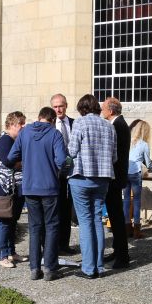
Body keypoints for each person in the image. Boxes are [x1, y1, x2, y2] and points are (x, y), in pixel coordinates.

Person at [7, 107, 66, 281]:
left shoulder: (24, 134)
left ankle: (34, 269)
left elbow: (11, 157)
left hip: (30, 187)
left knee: (35, 227)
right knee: (52, 227)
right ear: (53, 120)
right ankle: (49, 268)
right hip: (49, 187)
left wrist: (25, 163)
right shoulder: (55, 134)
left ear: (38, 118)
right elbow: (62, 160)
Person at [67, 94, 117, 279]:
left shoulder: (80, 123)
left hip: (81, 177)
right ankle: (99, 266)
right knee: (97, 219)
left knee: (86, 222)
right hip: (103, 178)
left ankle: (88, 268)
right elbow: (114, 157)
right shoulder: (108, 126)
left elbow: (71, 151)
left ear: (82, 109)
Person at [0, 111, 28, 268]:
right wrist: (22, 162)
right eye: (21, 123)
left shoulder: (13, 139)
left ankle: (11, 252)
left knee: (13, 220)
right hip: (5, 187)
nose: (23, 126)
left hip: (15, 186)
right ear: (12, 124)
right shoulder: (5, 139)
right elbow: (8, 161)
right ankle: (2, 255)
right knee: (5, 221)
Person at [101, 97, 130, 269]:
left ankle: (122, 256)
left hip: (114, 178)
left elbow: (115, 155)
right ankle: (118, 250)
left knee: (117, 218)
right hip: (116, 177)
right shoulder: (119, 124)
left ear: (111, 111)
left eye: (103, 108)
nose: (102, 110)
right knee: (114, 216)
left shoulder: (117, 126)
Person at [50, 93, 77, 255]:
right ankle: (53, 246)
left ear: (66, 106)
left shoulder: (75, 123)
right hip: (54, 173)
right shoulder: (49, 126)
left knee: (67, 210)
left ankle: (64, 245)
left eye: (61, 106)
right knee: (55, 209)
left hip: (72, 172)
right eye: (55, 106)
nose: (58, 109)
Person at [126, 120, 152, 239]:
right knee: (137, 201)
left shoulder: (128, 142)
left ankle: (127, 227)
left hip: (125, 172)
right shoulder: (144, 144)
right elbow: (148, 164)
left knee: (126, 200)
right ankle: (137, 230)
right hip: (135, 173)